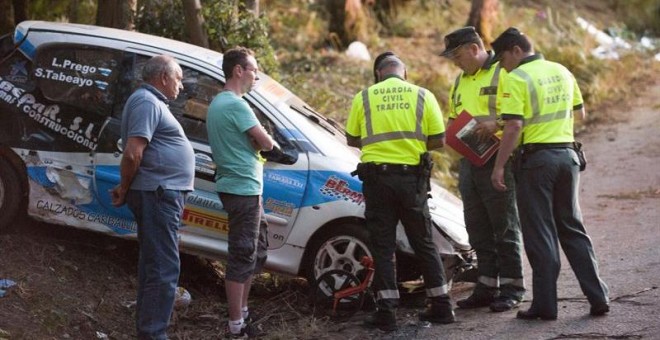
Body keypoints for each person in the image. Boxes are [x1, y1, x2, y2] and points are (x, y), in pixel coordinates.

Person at [490, 27, 610, 320]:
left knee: (540, 232)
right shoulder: (562, 70)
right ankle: (598, 297)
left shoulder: (517, 77)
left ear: (516, 50)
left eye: (503, 58)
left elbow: (514, 126)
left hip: (537, 162)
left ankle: (545, 305)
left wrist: (499, 165)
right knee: (572, 226)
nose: (502, 65)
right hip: (568, 157)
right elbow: (579, 113)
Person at [346, 51, 455, 331]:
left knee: (383, 246)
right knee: (424, 242)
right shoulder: (423, 95)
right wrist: (410, 146)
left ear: (378, 74)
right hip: (412, 181)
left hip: (378, 181)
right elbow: (439, 140)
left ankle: (387, 313)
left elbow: (351, 137)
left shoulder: (365, 97)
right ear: (404, 73)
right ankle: (442, 306)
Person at [440, 26, 525, 312]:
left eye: (456, 55)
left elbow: (520, 114)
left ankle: (513, 287)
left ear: (474, 48)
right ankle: (487, 286)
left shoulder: (504, 72)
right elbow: (454, 118)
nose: (454, 61)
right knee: (476, 226)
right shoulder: (459, 81)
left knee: (504, 226)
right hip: (470, 161)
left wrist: (497, 125)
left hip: (500, 159)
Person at [110, 55, 195, 339]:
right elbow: (133, 152)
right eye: (179, 78)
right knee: (163, 267)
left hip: (158, 193)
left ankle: (149, 330)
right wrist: (124, 187)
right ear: (163, 77)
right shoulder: (147, 101)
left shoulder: (151, 102)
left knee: (154, 265)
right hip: (157, 194)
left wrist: (126, 188)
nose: (181, 85)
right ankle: (154, 334)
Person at [206, 47, 274, 338]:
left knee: (255, 250)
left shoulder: (220, 103)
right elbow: (267, 143)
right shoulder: (235, 104)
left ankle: (243, 314)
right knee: (242, 253)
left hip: (243, 187)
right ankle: (236, 326)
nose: (256, 76)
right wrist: (260, 140)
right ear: (238, 71)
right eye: (254, 70)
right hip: (241, 188)